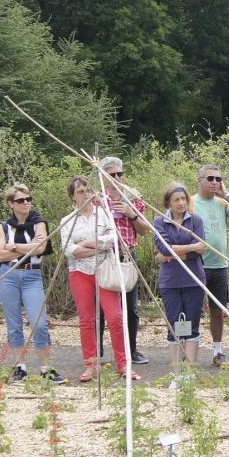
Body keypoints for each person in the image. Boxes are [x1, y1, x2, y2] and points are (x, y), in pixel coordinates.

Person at [58, 176, 126, 380]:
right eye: (80, 191)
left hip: (106, 270)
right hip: (80, 273)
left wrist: (86, 243)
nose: (86, 194)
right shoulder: (67, 221)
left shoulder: (104, 214)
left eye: (88, 190)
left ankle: (123, 364)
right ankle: (91, 365)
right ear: (73, 196)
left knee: (115, 317)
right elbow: (69, 250)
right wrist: (97, 245)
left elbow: (113, 239)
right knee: (87, 320)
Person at [0, 183, 63, 384]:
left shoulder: (39, 222)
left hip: (32, 276)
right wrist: (29, 247)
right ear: (11, 204)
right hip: (8, 275)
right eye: (20, 200)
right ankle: (20, 368)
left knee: (39, 323)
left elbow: (41, 249)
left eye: (28, 199)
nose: (26, 203)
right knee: (14, 324)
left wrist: (14, 246)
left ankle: (45, 367)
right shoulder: (3, 226)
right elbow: (0, 255)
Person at [97, 157, 152, 366]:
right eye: (113, 175)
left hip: (127, 255)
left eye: (120, 174)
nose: (118, 178)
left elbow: (144, 231)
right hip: (103, 256)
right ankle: (98, 352)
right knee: (101, 308)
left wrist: (132, 214)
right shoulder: (96, 199)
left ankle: (131, 349)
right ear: (103, 176)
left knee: (130, 306)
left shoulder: (133, 197)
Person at [152, 183, 209, 371]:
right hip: (170, 282)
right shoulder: (159, 222)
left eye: (184, 199)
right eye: (176, 199)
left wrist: (170, 255)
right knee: (174, 325)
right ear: (168, 202)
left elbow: (199, 251)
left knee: (192, 325)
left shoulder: (196, 221)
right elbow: (164, 248)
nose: (181, 203)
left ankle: (189, 372)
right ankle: (176, 372)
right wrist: (191, 246)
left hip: (193, 280)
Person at [193, 164, 229, 367]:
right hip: (197, 264)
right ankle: (188, 351)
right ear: (200, 180)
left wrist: (228, 194)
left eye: (218, 179)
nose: (215, 182)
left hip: (220, 265)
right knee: (193, 309)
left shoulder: (222, 203)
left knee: (218, 310)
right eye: (210, 178)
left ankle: (218, 351)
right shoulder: (190, 203)